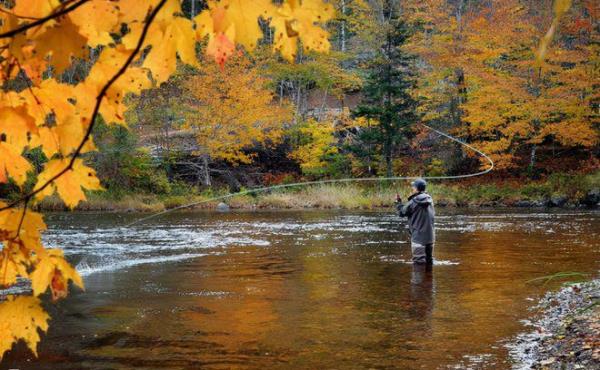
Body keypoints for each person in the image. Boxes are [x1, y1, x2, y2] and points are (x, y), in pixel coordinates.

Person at [395, 178, 435, 264]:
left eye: (413, 186)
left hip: (418, 238)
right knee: (429, 262)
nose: (412, 188)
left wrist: (398, 202)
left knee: (418, 265)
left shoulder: (413, 202)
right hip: (430, 238)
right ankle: (429, 277)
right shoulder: (430, 199)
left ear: (416, 189)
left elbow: (402, 213)